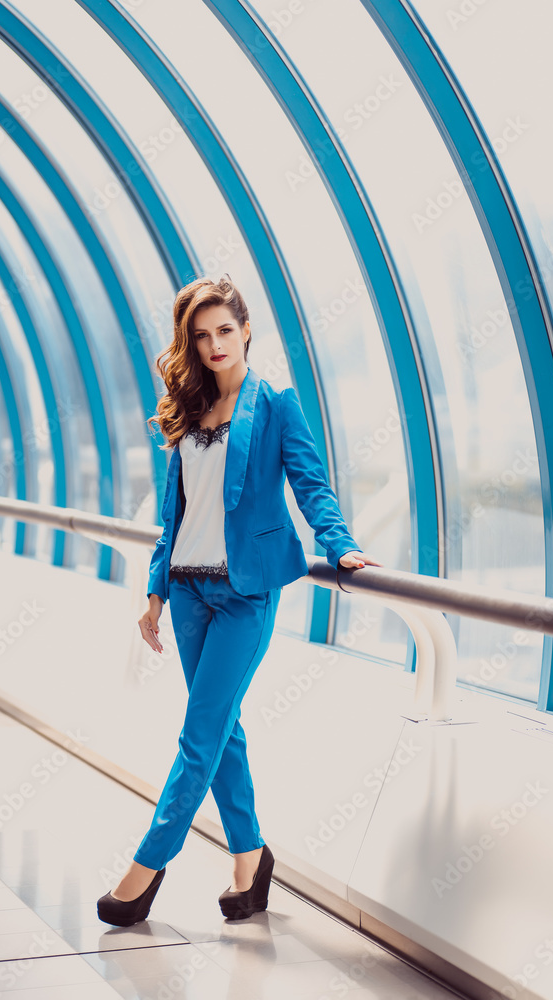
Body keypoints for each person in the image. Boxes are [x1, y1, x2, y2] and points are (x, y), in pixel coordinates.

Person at [97, 274, 381, 927]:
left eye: (225, 330)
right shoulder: (188, 406)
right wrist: (153, 592)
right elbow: (174, 514)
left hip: (243, 594)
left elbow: (310, 482)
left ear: (246, 329)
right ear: (189, 344)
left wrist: (336, 542)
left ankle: (143, 873)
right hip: (189, 592)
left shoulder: (275, 402)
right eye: (201, 335)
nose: (214, 343)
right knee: (222, 735)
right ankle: (250, 862)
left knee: (198, 738)